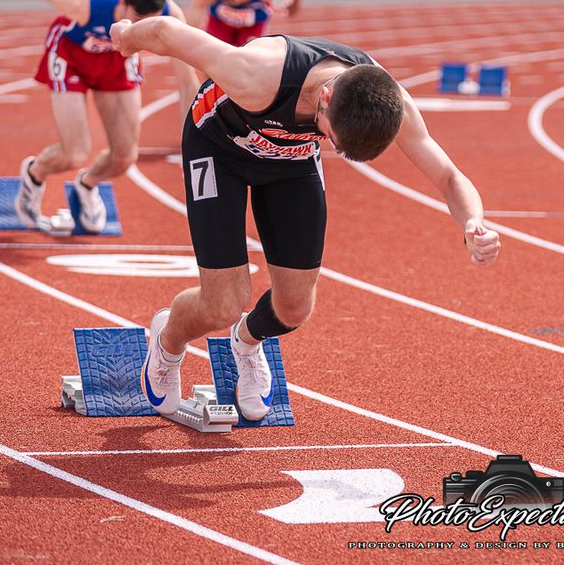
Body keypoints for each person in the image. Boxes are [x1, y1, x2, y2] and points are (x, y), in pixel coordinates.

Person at [106, 21, 503, 421]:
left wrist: (473, 223)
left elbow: (449, 177)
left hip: (290, 163)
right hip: (218, 149)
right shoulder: (257, 72)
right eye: (329, 135)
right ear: (326, 95)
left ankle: (245, 343)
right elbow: (167, 33)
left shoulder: (389, 100)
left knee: (294, 308)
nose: (328, 143)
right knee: (223, 303)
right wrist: (127, 37)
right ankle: (167, 342)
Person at [0, 0, 184, 233]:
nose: (140, 28)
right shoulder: (88, 3)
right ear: (123, 3)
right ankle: (34, 174)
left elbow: (187, 76)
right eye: (136, 19)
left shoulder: (171, 16)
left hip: (116, 61)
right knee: (74, 152)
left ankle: (87, 185)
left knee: (124, 157)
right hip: (71, 58)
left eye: (149, 22)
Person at [173, 0, 307, 119]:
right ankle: (216, 111)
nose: (235, 2)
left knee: (249, 66)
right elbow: (190, 28)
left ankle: (248, 111)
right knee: (211, 63)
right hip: (220, 21)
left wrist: (295, 4)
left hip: (253, 22)